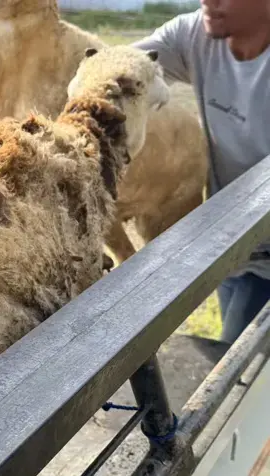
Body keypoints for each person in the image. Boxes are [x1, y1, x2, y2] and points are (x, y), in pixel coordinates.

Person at [132, 0, 270, 344]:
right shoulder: (194, 33)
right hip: (232, 245)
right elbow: (115, 67)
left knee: (236, 365)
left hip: (262, 251)